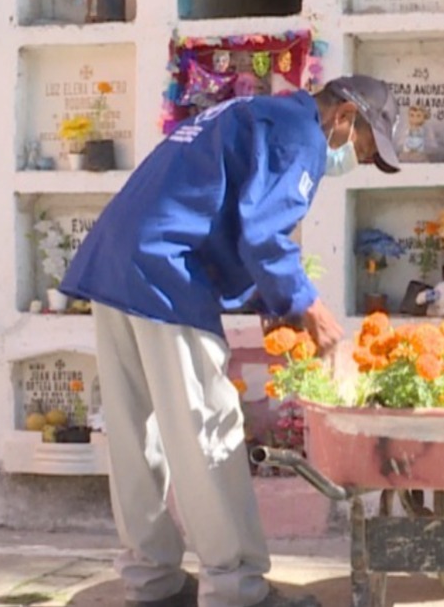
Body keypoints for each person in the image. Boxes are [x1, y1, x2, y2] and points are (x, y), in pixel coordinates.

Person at [60, 76, 400, 607]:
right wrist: (317, 317)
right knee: (207, 428)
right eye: (362, 147)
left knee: (134, 435)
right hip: (164, 277)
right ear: (344, 118)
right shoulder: (300, 134)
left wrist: (272, 305)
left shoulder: (255, 112)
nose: (352, 159)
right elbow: (263, 235)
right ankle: (237, 590)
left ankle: (151, 582)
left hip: (116, 264)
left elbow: (222, 210)